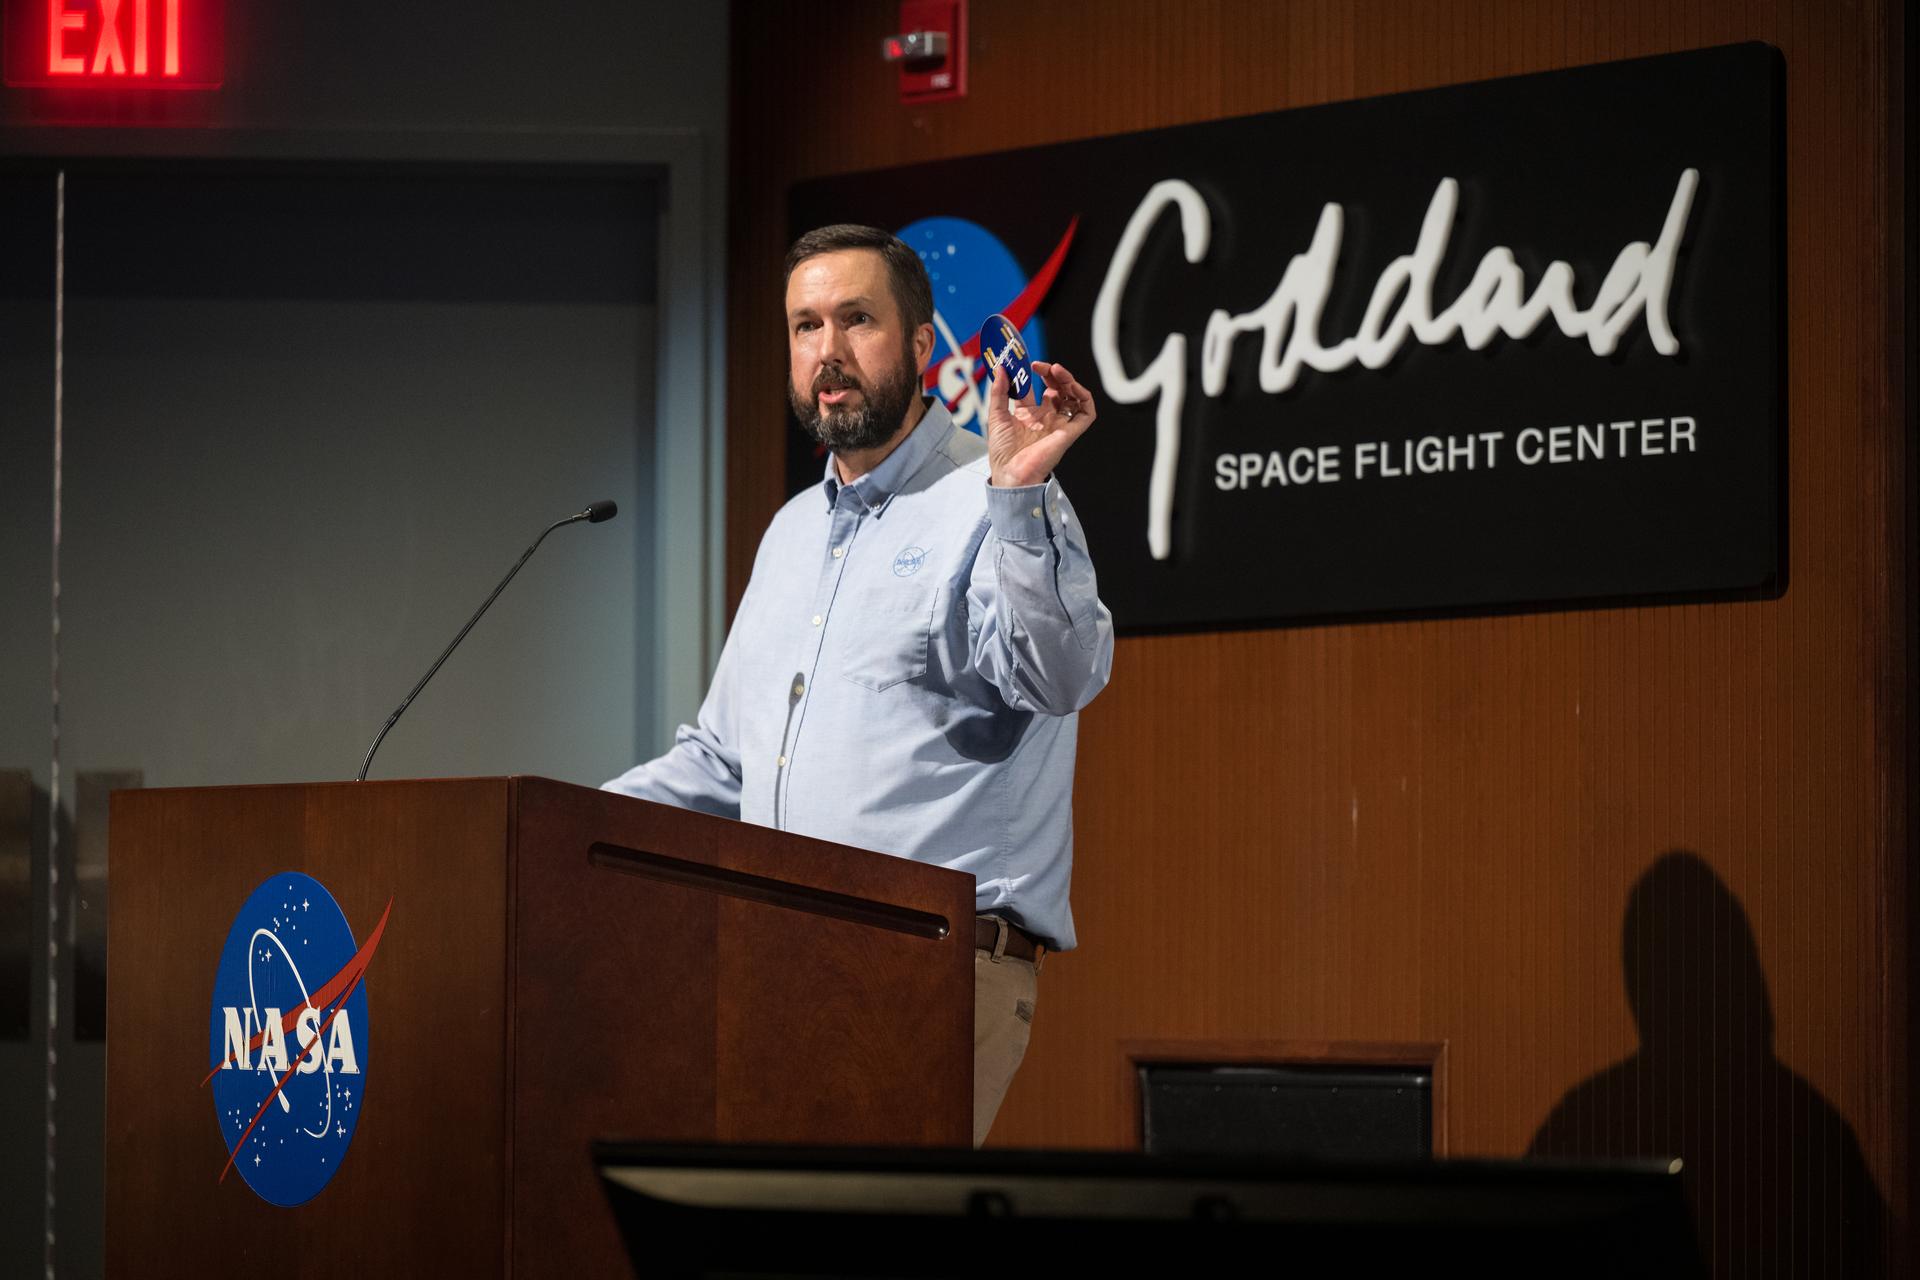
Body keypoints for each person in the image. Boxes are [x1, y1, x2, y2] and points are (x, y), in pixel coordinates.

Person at [604, 224, 1113, 1145]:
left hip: (928, 967)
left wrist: (1021, 496)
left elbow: (1063, 675)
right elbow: (722, 762)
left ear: (921, 345)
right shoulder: (792, 531)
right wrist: (555, 821)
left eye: (855, 321)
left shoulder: (992, 493)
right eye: (805, 327)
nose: (827, 353)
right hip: (774, 962)